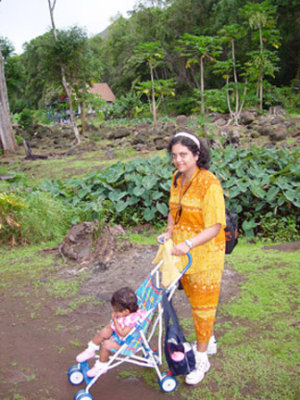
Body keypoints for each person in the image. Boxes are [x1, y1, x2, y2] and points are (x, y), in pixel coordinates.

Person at [157, 131, 226, 385]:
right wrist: (169, 233)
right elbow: (173, 211)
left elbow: (216, 226)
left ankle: (201, 359)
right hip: (180, 253)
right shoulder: (177, 179)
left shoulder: (209, 183)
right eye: (174, 155)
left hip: (205, 253)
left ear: (197, 155)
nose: (178, 160)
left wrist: (188, 243)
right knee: (190, 296)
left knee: (202, 306)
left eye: (183, 155)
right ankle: (209, 339)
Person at [76, 287, 147, 377]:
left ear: (126, 311)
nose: (115, 312)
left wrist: (115, 320)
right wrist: (110, 326)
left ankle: (101, 366)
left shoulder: (132, 320)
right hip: (118, 335)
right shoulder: (126, 313)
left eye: (116, 311)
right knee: (105, 331)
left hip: (125, 342)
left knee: (106, 345)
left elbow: (122, 333)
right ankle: (90, 350)